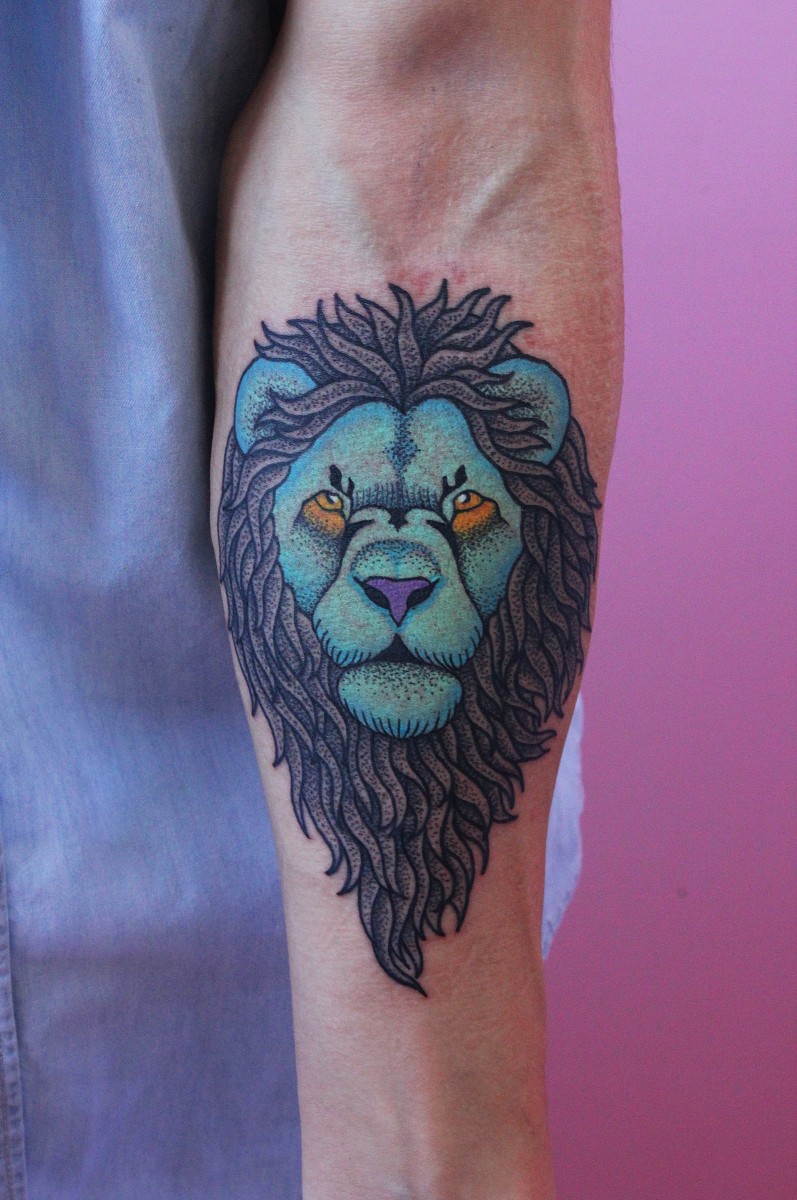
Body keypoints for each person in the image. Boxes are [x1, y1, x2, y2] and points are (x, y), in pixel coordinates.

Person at [0, 2, 621, 1196]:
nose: (397, 570)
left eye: (459, 512)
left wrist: (431, 1160)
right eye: (336, 517)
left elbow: (439, 105)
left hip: (200, 996)